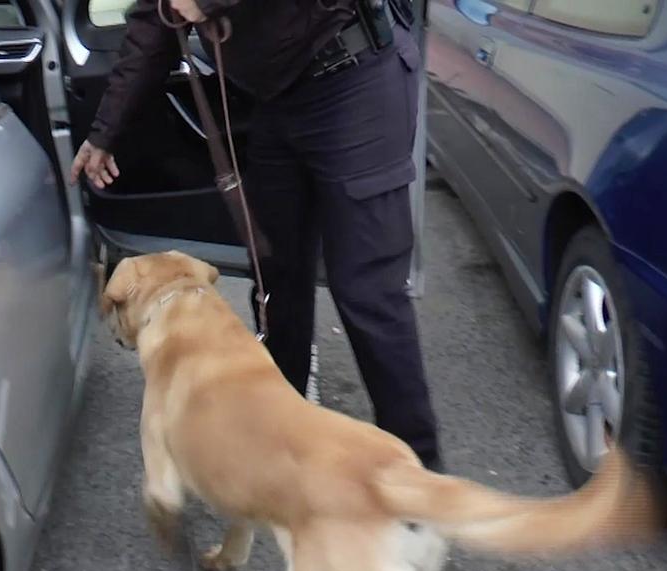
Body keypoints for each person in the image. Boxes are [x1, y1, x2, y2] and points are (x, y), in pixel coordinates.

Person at [70, 0, 445, 472]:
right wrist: (105, 132)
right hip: (276, 101)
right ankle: (280, 440)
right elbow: (154, 22)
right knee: (276, 282)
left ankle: (420, 480)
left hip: (353, 76)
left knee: (368, 293)